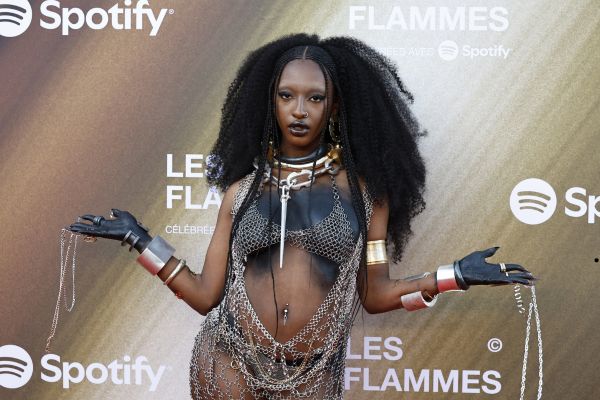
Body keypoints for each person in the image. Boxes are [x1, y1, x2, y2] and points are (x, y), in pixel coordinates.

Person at [67, 33, 535, 399]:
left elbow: (375, 295)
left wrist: (453, 276)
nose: (298, 110)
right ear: (270, 102)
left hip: (311, 374)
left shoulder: (368, 195)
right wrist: (140, 239)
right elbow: (206, 295)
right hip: (228, 358)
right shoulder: (241, 192)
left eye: (314, 98)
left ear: (334, 105)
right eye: (286, 95)